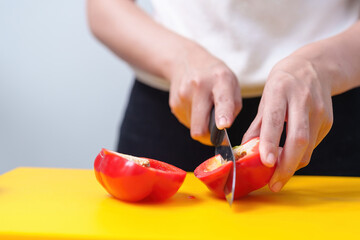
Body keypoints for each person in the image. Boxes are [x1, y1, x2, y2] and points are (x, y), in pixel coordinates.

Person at [87, 0, 360, 193]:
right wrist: (179, 57)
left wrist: (321, 65)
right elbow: (103, 7)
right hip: (172, 107)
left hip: (321, 112)